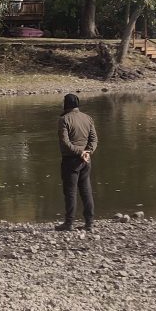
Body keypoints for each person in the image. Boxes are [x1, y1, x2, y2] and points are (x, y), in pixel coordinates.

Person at [56, 93, 98, 231]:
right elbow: (94, 139)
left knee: (70, 192)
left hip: (71, 160)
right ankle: (89, 223)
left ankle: (68, 223)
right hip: (86, 160)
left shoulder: (64, 119)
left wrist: (79, 152)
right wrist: (88, 152)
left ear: (65, 104)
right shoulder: (88, 118)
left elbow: (65, 142)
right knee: (86, 191)